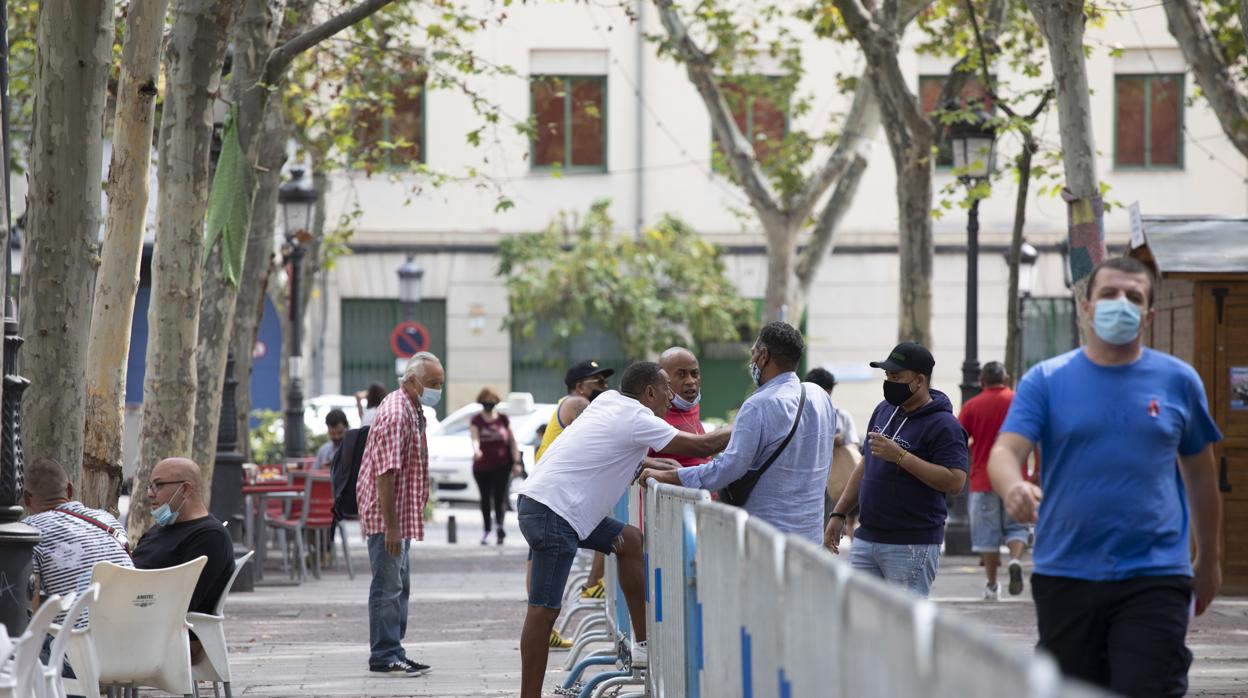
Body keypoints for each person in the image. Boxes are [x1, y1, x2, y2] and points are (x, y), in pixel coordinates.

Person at [988, 257, 1223, 698]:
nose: (1121, 304)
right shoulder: (1047, 380)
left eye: (1134, 297)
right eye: (1110, 294)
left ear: (1148, 315)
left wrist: (1208, 558)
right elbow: (1005, 451)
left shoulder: (1179, 381)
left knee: (1148, 687)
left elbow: (1201, 478)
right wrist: (1013, 485)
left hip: (1155, 575)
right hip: (1067, 571)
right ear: (1086, 306)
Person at [514, 361, 730, 698]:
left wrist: (651, 463)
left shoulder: (609, 402)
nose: (671, 399)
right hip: (554, 512)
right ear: (649, 392)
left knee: (629, 541)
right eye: (666, 391)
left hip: (551, 506)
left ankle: (642, 645)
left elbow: (607, 449)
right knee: (543, 611)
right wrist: (753, 423)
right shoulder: (638, 417)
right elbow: (702, 446)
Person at [642, 322, 835, 543]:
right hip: (810, 537)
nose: (751, 361)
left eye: (753, 353)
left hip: (766, 539)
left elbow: (727, 469)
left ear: (763, 356)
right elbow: (826, 461)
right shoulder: (819, 396)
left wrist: (669, 476)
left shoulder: (758, 405)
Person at [823, 342, 969, 598]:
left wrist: (901, 457)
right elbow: (865, 464)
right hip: (867, 538)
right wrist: (838, 513)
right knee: (859, 619)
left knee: (903, 628)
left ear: (919, 380)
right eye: (887, 376)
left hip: (912, 543)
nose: (889, 382)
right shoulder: (884, 410)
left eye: (896, 376)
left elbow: (955, 481)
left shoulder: (945, 425)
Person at [355, 351, 443, 677]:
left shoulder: (412, 407)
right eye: (433, 384)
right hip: (386, 516)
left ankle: (395, 649)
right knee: (387, 586)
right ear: (412, 380)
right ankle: (384, 654)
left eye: (440, 384)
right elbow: (385, 474)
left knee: (399, 585)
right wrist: (392, 527)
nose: (437, 390)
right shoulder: (396, 413)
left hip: (400, 514)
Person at [531, 358, 614, 640]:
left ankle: (547, 626)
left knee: (620, 537)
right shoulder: (577, 404)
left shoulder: (569, 404)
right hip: (554, 497)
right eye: (598, 383)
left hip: (549, 494)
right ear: (580, 387)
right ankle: (547, 625)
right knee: (618, 537)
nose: (605, 388)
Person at [132, 458, 235, 659]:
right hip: (132, 623)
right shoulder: (161, 529)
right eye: (149, 486)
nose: (150, 493)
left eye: (158, 485)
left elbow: (184, 602)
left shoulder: (209, 536)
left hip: (168, 637)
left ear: (186, 489)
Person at [23, 457, 134, 626]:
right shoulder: (107, 520)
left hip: (78, 646)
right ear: (69, 490)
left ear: (26, 499)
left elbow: (32, 608)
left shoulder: (30, 531)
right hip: (134, 633)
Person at [958, 361, 1029, 600]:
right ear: (1006, 379)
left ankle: (991, 585)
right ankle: (1016, 560)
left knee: (987, 536)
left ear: (981, 382)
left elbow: (958, 438)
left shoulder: (972, 406)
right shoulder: (1018, 401)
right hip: (1014, 478)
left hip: (983, 478)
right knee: (1017, 527)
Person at [805, 367, 862, 533]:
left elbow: (853, 446)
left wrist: (839, 441)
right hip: (809, 480)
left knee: (828, 523)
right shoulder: (802, 415)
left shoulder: (840, 415)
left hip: (834, 480)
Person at [470, 387, 522, 545]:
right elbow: (474, 438)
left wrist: (517, 461)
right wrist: (476, 450)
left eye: (491, 403)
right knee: (485, 499)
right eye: (486, 403)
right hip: (482, 466)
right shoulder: (476, 420)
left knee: (500, 498)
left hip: (502, 465)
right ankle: (487, 530)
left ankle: (500, 527)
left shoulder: (503, 419)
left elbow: (512, 441)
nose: (488, 405)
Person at [649, 347, 710, 467]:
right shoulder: (653, 416)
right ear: (663, 379)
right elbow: (630, 459)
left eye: (694, 374)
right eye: (681, 375)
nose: (690, 381)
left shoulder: (692, 405)